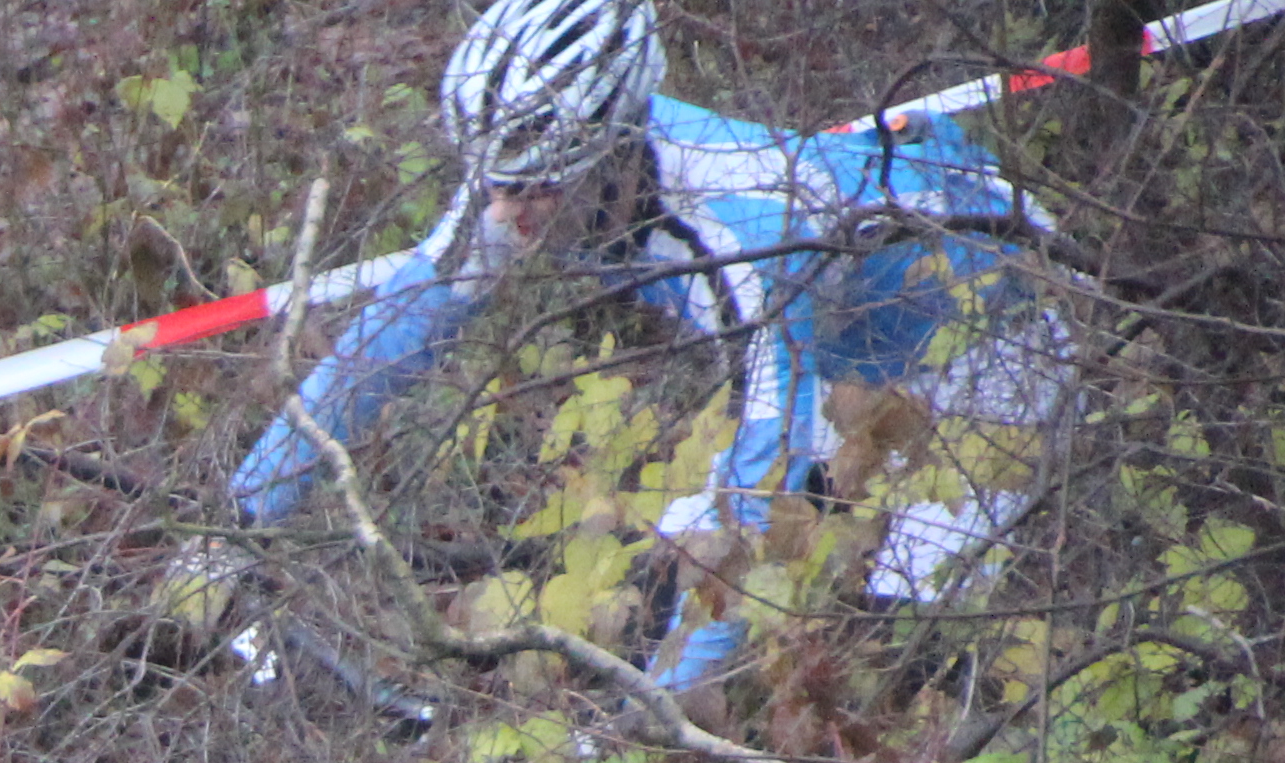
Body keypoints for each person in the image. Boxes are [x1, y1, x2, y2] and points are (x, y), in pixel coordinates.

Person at [216, 0, 1066, 692]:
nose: (508, 214)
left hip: (989, 341)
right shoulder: (539, 160)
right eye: (495, 185)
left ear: (612, 149)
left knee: (895, 646)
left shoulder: (742, 233)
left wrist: (663, 714)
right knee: (665, 581)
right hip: (850, 353)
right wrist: (239, 516)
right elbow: (405, 326)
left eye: (534, 190)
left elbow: (765, 480)